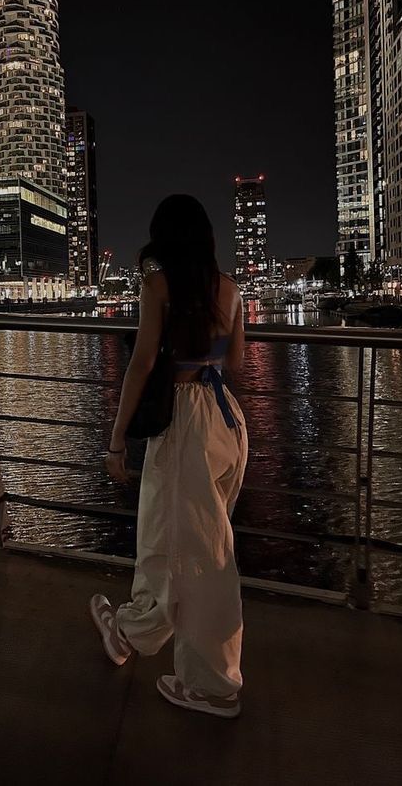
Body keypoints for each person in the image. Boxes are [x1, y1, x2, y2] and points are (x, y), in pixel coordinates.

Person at [90, 194, 248, 718]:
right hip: (223, 417)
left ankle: (212, 685)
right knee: (170, 535)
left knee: (203, 557)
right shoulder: (230, 289)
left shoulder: (157, 285)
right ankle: (131, 629)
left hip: (185, 425)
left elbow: (140, 364)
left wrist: (117, 439)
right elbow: (239, 363)